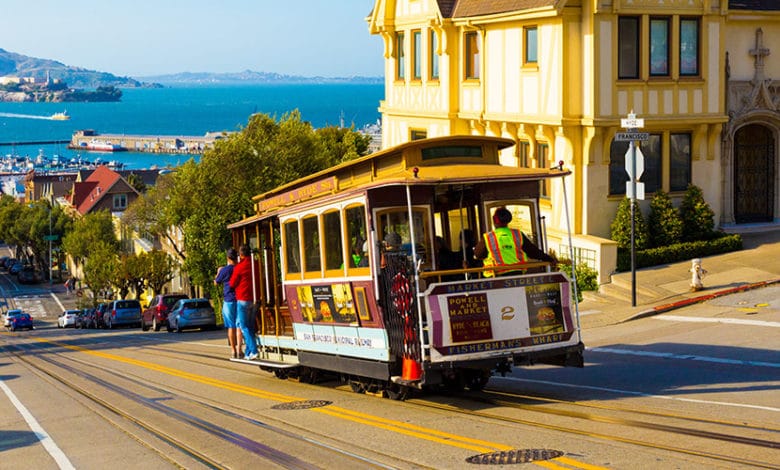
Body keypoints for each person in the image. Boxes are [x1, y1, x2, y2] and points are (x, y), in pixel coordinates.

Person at [474, 207, 556, 277]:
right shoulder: (517, 234)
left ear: (494, 219)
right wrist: (549, 259)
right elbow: (533, 252)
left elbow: (478, 254)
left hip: (496, 277)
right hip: (517, 275)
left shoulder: (488, 237)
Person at [230, 244, 259, 360]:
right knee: (250, 326)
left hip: (243, 300)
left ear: (241, 255)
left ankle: (253, 350)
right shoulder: (256, 264)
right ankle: (248, 353)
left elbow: (232, 283)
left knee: (243, 326)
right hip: (256, 299)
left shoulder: (239, 267)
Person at [214, 247, 242, 359]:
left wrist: (218, 272)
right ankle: (240, 350)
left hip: (228, 301)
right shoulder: (239, 268)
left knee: (231, 327)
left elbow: (216, 282)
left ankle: (233, 350)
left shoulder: (225, 270)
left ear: (228, 258)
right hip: (239, 300)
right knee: (239, 326)